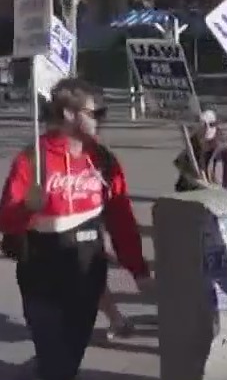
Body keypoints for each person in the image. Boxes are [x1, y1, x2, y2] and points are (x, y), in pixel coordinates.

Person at [0, 78, 150, 380]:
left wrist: (139, 271)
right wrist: (27, 207)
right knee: (57, 363)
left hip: (88, 276)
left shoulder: (104, 161)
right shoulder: (32, 159)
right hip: (41, 273)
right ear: (69, 113)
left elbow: (121, 220)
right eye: (96, 113)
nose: (102, 120)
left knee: (68, 358)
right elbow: (6, 220)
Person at [174, 109, 227, 192]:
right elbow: (180, 189)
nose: (207, 128)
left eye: (211, 124)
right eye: (202, 124)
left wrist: (207, 188)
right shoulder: (191, 154)